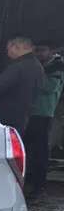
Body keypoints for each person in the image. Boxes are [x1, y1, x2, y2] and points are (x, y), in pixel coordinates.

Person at [23, 42, 64, 198]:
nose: (39, 53)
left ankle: (38, 185)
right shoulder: (44, 65)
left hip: (44, 112)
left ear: (51, 50)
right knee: (30, 149)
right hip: (33, 111)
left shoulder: (57, 67)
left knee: (40, 150)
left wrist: (34, 77)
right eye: (37, 50)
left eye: (42, 50)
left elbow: (50, 88)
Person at [0, 36, 45, 135]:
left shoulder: (19, 66)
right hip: (22, 117)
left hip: (5, 116)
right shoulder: (38, 66)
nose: (7, 52)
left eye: (8, 49)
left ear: (16, 47)